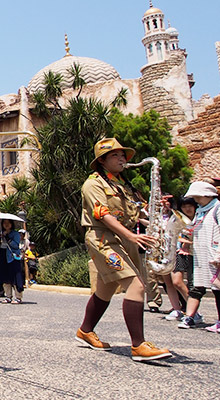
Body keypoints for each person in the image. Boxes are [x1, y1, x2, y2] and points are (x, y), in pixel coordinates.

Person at [75, 138, 171, 362]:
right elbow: (103, 214)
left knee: (105, 289)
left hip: (124, 238)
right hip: (103, 239)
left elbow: (137, 213)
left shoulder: (123, 184)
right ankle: (138, 346)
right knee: (136, 284)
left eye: (123, 155)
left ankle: (85, 331)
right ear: (102, 160)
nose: (122, 159)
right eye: (115, 156)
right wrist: (131, 236)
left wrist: (158, 217)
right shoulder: (93, 183)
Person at [176, 182, 220, 332]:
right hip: (201, 254)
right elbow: (192, 228)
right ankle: (190, 317)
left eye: (197, 196)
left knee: (218, 288)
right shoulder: (201, 210)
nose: (195, 199)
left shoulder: (217, 208)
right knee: (199, 286)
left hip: (214, 255)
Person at [167, 197, 197, 321]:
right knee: (176, 282)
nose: (187, 209)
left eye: (190, 205)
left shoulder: (200, 218)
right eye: (184, 206)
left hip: (195, 253)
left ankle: (193, 311)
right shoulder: (178, 217)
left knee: (193, 284)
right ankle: (190, 311)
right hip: (178, 252)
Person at [0, 220, 23, 304]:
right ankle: (8, 296)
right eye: (4, 223)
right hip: (3, 255)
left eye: (8, 223)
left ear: (11, 224)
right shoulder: (0, 233)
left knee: (15, 277)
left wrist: (7, 238)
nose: (6, 225)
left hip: (12, 257)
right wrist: (0, 238)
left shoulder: (15, 234)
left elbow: (15, 245)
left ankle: (18, 297)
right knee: (5, 277)